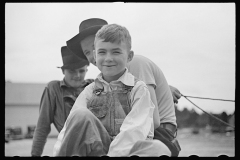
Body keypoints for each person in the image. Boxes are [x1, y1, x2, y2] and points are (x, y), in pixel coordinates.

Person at [66, 18, 181, 156]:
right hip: (114, 137)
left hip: (157, 132)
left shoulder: (136, 67)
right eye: (88, 52)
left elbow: (152, 122)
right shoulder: (98, 83)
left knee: (157, 149)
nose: (92, 56)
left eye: (93, 48)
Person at [31, 46, 94, 156]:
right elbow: (42, 127)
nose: (77, 75)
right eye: (72, 71)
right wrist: (35, 155)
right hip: (68, 151)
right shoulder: (53, 89)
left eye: (81, 71)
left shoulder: (94, 86)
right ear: (63, 71)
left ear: (86, 70)